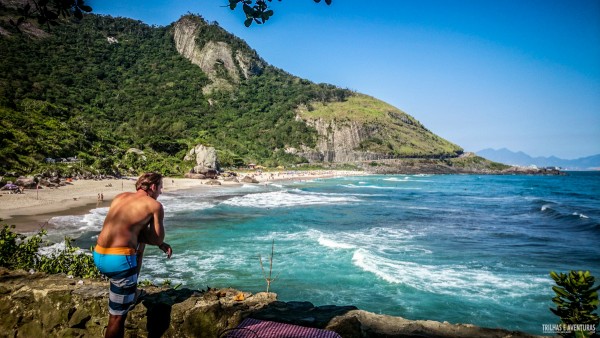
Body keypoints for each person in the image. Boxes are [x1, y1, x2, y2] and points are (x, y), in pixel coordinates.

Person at [93, 172, 173, 338]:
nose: (160, 192)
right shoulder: (153, 205)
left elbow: (127, 229)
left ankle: (132, 292)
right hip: (119, 262)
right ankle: (129, 295)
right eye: (160, 188)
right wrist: (161, 243)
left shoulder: (120, 196)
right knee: (116, 318)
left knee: (139, 243)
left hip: (99, 254)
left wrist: (151, 239)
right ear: (153, 187)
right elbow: (158, 237)